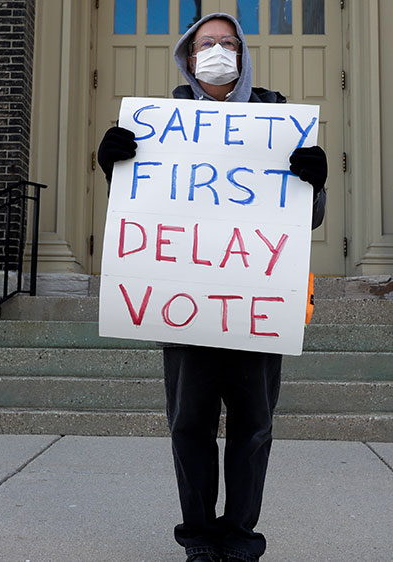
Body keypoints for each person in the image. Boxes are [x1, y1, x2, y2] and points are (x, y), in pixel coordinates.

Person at [96, 13, 327, 562]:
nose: (217, 50)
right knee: (189, 427)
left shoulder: (278, 117)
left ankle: (241, 537)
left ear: (242, 54)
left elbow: (309, 220)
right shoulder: (162, 122)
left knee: (253, 430)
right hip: (184, 306)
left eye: (227, 42)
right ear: (188, 54)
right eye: (207, 43)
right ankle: (199, 537)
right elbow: (145, 214)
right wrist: (115, 169)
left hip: (256, 305)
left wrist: (312, 182)